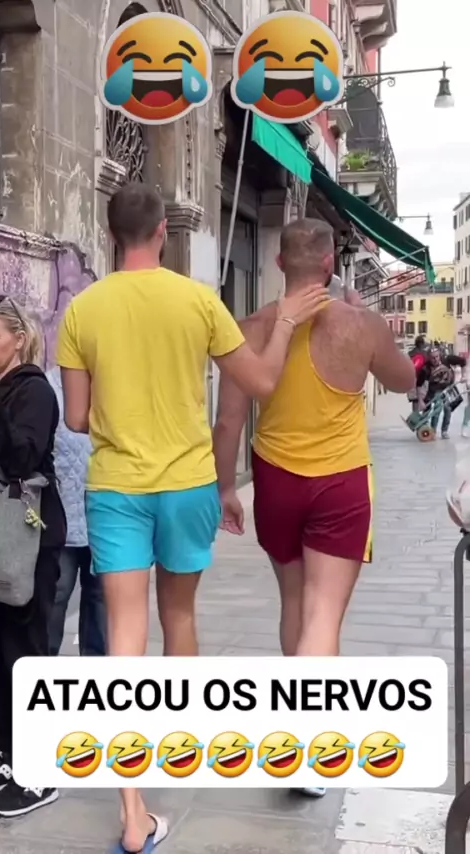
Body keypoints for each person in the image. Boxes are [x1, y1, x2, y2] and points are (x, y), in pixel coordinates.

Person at [55, 184, 330, 854]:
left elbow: (78, 418)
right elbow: (261, 382)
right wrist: (285, 321)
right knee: (179, 618)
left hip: (117, 487)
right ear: (162, 233)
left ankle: (133, 814)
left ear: (111, 233)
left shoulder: (82, 309)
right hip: (187, 485)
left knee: (123, 638)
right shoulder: (199, 300)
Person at [213, 219, 415, 796]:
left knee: (296, 604)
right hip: (341, 483)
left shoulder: (250, 328)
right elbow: (404, 380)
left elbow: (228, 422)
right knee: (323, 616)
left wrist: (226, 489)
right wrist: (367, 321)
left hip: (275, 479)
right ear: (329, 264)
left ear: (280, 264)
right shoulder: (361, 324)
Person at [0, 295, 66, 817]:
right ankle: (7, 755)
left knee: (25, 652)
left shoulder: (33, 391)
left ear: (18, 339)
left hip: (28, 538)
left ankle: (39, 772)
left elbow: (21, 457)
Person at [46, 366, 106, 656]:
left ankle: (96, 671)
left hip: (107, 513)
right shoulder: (49, 386)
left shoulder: (116, 382)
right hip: (62, 516)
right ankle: (41, 665)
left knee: (100, 599)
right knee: (56, 594)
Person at [418, 347, 466, 439]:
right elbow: (419, 385)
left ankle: (444, 431)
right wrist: (420, 400)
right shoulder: (426, 368)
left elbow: (463, 362)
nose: (435, 359)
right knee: (437, 409)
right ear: (429, 358)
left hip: (448, 388)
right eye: (433, 358)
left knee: (447, 409)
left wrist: (463, 376)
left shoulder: (447, 360)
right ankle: (432, 431)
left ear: (440, 355)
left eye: (437, 357)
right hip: (434, 390)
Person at [407, 335, 428, 413]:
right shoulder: (425, 354)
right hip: (423, 380)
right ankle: (423, 418)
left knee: (415, 401)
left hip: (413, 379)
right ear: (422, 344)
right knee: (424, 401)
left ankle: (415, 416)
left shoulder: (410, 353)